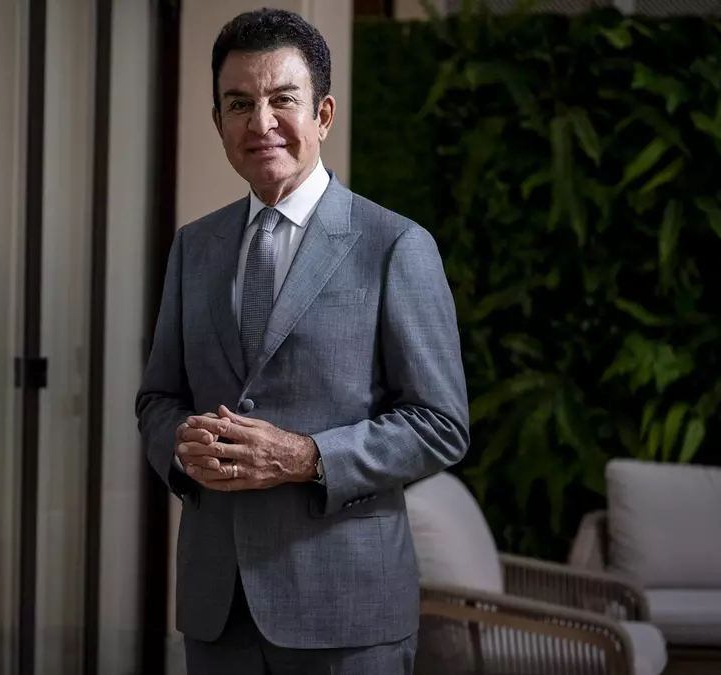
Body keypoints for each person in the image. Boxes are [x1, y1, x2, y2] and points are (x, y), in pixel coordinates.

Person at [135, 8, 469, 674]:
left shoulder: (395, 246)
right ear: (218, 122)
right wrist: (178, 442)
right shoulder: (193, 247)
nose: (260, 123)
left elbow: (441, 425)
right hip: (217, 608)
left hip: (346, 613)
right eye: (238, 104)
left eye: (281, 99)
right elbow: (157, 398)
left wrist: (307, 456)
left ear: (323, 114)